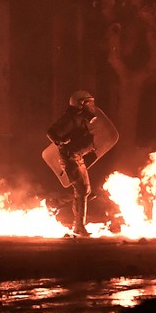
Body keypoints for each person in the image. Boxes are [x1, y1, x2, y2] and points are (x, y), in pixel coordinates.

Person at [47, 90, 99, 237]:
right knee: (82, 190)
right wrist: (61, 141)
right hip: (70, 158)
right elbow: (51, 132)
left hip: (78, 157)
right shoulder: (70, 118)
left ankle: (56, 203)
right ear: (80, 104)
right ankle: (79, 227)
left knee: (85, 191)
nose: (91, 106)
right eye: (88, 103)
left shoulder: (80, 117)